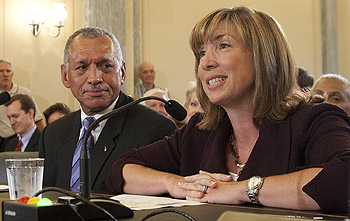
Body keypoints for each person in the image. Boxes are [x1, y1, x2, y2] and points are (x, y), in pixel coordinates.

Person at [106, 7, 350, 213]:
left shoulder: (315, 120)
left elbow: (343, 179)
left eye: (223, 46)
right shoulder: (200, 132)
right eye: (201, 53)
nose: (206, 62)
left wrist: (241, 190)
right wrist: (176, 184)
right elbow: (122, 169)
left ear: (264, 57)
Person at [39, 27, 177, 192]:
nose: (94, 78)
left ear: (122, 72)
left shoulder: (156, 129)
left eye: (105, 66)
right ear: (65, 76)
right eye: (82, 67)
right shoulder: (53, 134)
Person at [0, 60, 44, 141]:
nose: (5, 74)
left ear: (12, 74)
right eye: (1, 71)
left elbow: (37, 118)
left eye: (8, 71)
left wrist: (43, 139)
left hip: (22, 138)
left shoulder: (24, 92)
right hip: (3, 141)